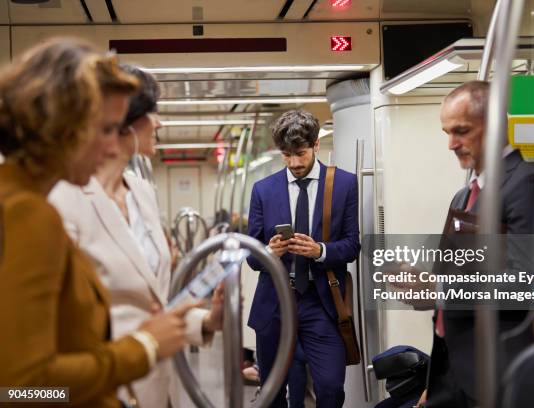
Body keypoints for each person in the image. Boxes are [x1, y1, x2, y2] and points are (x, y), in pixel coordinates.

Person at [0, 38, 199, 407]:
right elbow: (21, 388)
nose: (112, 148)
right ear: (62, 126)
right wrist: (144, 347)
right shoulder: (29, 214)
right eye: (105, 129)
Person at [48, 64, 223, 408]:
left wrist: (205, 320)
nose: (159, 122)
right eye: (152, 112)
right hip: (101, 389)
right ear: (122, 121)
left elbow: (150, 301)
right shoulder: (62, 199)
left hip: (158, 385)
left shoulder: (142, 191)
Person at [407, 80, 534, 407]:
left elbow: (526, 283)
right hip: (455, 369)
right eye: (446, 132)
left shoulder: (528, 187)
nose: (450, 144)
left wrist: (440, 289)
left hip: (497, 370)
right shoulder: (464, 196)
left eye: (461, 131)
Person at [246, 109, 360, 407]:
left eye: (300, 153)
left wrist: (320, 251)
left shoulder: (345, 185)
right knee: (272, 392)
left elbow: (352, 245)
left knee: (331, 387)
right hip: (276, 301)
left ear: (316, 145)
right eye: (286, 155)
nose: (294, 163)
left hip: (320, 303)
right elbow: (252, 256)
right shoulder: (263, 190)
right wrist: (268, 252)